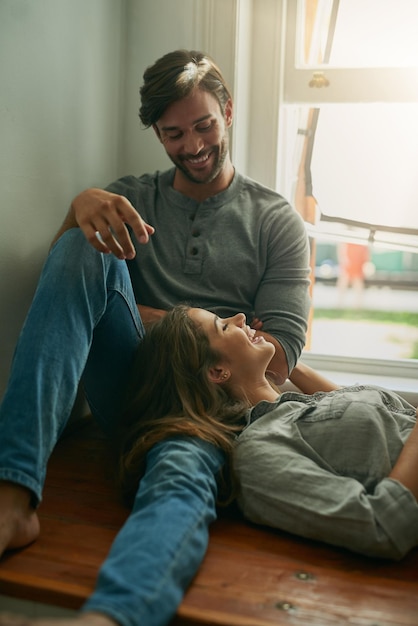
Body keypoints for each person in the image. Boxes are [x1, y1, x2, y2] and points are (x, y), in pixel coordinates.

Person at [0, 49, 310, 626]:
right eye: (173, 134)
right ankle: (13, 495)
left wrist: (164, 320)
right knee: (77, 249)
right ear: (156, 133)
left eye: (204, 126)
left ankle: (113, 616)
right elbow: (68, 297)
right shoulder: (130, 198)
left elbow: (278, 362)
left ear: (229, 112)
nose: (192, 145)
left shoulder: (276, 222)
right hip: (131, 395)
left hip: (216, 415)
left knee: (179, 483)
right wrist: (79, 211)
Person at [118, 305, 418, 561]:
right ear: (217, 372)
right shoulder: (258, 451)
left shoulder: (295, 408)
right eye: (223, 326)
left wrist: (288, 365)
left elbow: (350, 406)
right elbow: (383, 525)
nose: (239, 317)